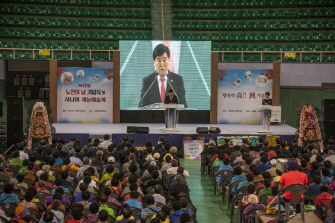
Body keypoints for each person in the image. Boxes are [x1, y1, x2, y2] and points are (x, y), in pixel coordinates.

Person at [139, 43, 187, 107]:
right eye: (159, 60)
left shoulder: (178, 80)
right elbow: (142, 105)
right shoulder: (147, 81)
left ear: (169, 60)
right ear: (154, 62)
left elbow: (183, 105)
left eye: (164, 60)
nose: (162, 64)